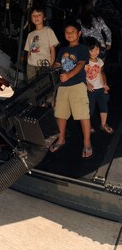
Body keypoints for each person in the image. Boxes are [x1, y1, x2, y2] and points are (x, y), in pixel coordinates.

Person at [50, 21, 93, 159]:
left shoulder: (82, 49)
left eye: (72, 32)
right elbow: (57, 64)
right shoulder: (62, 50)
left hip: (77, 86)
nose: (69, 34)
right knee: (60, 114)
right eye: (67, 32)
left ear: (79, 33)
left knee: (83, 115)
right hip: (62, 87)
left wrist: (69, 75)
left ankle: (87, 143)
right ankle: (61, 139)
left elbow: (80, 64)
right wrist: (50, 69)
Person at [84, 37, 114, 134]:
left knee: (103, 106)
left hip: (100, 88)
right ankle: (87, 126)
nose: (95, 52)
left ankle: (103, 124)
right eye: (92, 50)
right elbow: (81, 76)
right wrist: (87, 84)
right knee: (90, 109)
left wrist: (104, 84)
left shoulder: (100, 61)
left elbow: (102, 73)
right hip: (90, 90)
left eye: (97, 49)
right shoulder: (84, 62)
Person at [24, 6, 59, 82]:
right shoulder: (30, 35)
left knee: (43, 86)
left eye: (39, 15)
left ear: (44, 17)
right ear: (31, 18)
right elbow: (29, 51)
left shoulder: (48, 31)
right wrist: (28, 61)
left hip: (44, 65)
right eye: (34, 15)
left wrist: (51, 64)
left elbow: (52, 49)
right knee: (32, 86)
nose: (36, 17)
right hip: (31, 65)